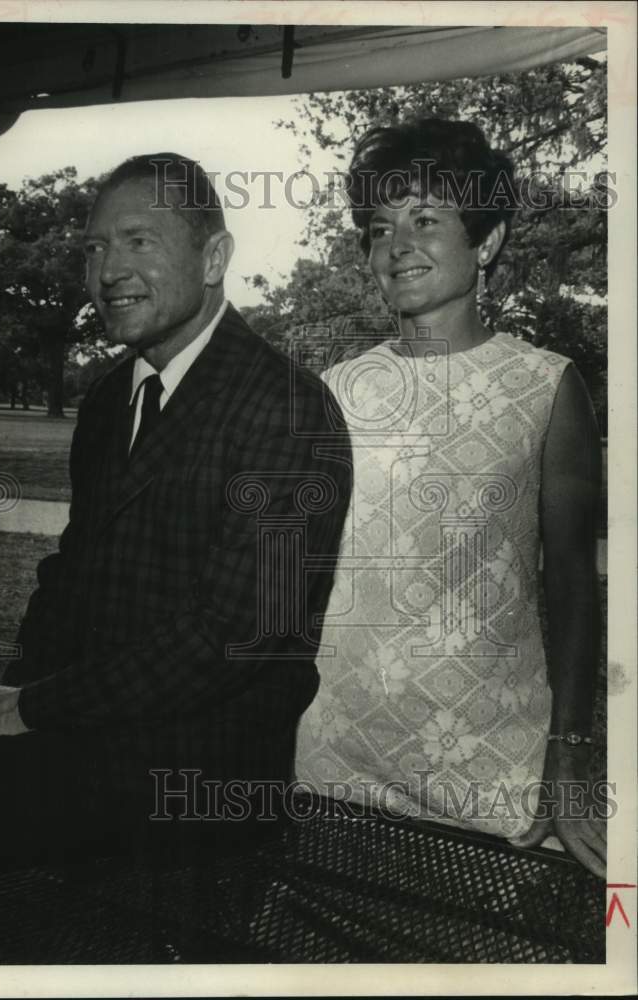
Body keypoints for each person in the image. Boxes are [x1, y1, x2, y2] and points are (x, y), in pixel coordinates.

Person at [0, 153, 352, 889]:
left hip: (201, 783)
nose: (108, 270)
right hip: (88, 743)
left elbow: (230, 635)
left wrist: (26, 711)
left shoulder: (290, 407)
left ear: (214, 258)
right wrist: (4, 702)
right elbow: (70, 579)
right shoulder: (113, 401)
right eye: (94, 249)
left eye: (139, 241)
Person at [296, 119, 606, 878]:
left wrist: (567, 756)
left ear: (487, 242)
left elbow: (570, 581)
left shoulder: (547, 386)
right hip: (336, 757)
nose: (396, 245)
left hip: (490, 767)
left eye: (426, 220)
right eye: (378, 228)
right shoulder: (332, 393)